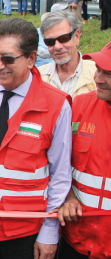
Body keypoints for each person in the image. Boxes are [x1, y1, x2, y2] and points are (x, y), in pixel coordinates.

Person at [0, 18, 72, 259]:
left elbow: (60, 174)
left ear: (31, 59)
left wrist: (49, 232)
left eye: (8, 59)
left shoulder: (56, 105)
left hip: (24, 235)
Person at [55, 40, 111, 258]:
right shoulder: (78, 106)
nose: (98, 79)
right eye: (98, 69)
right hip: (75, 242)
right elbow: (57, 163)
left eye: (108, 73)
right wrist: (67, 197)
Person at [38, 11, 96, 98]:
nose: (57, 47)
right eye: (50, 42)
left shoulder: (97, 75)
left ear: (77, 37)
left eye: (64, 38)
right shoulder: (36, 77)